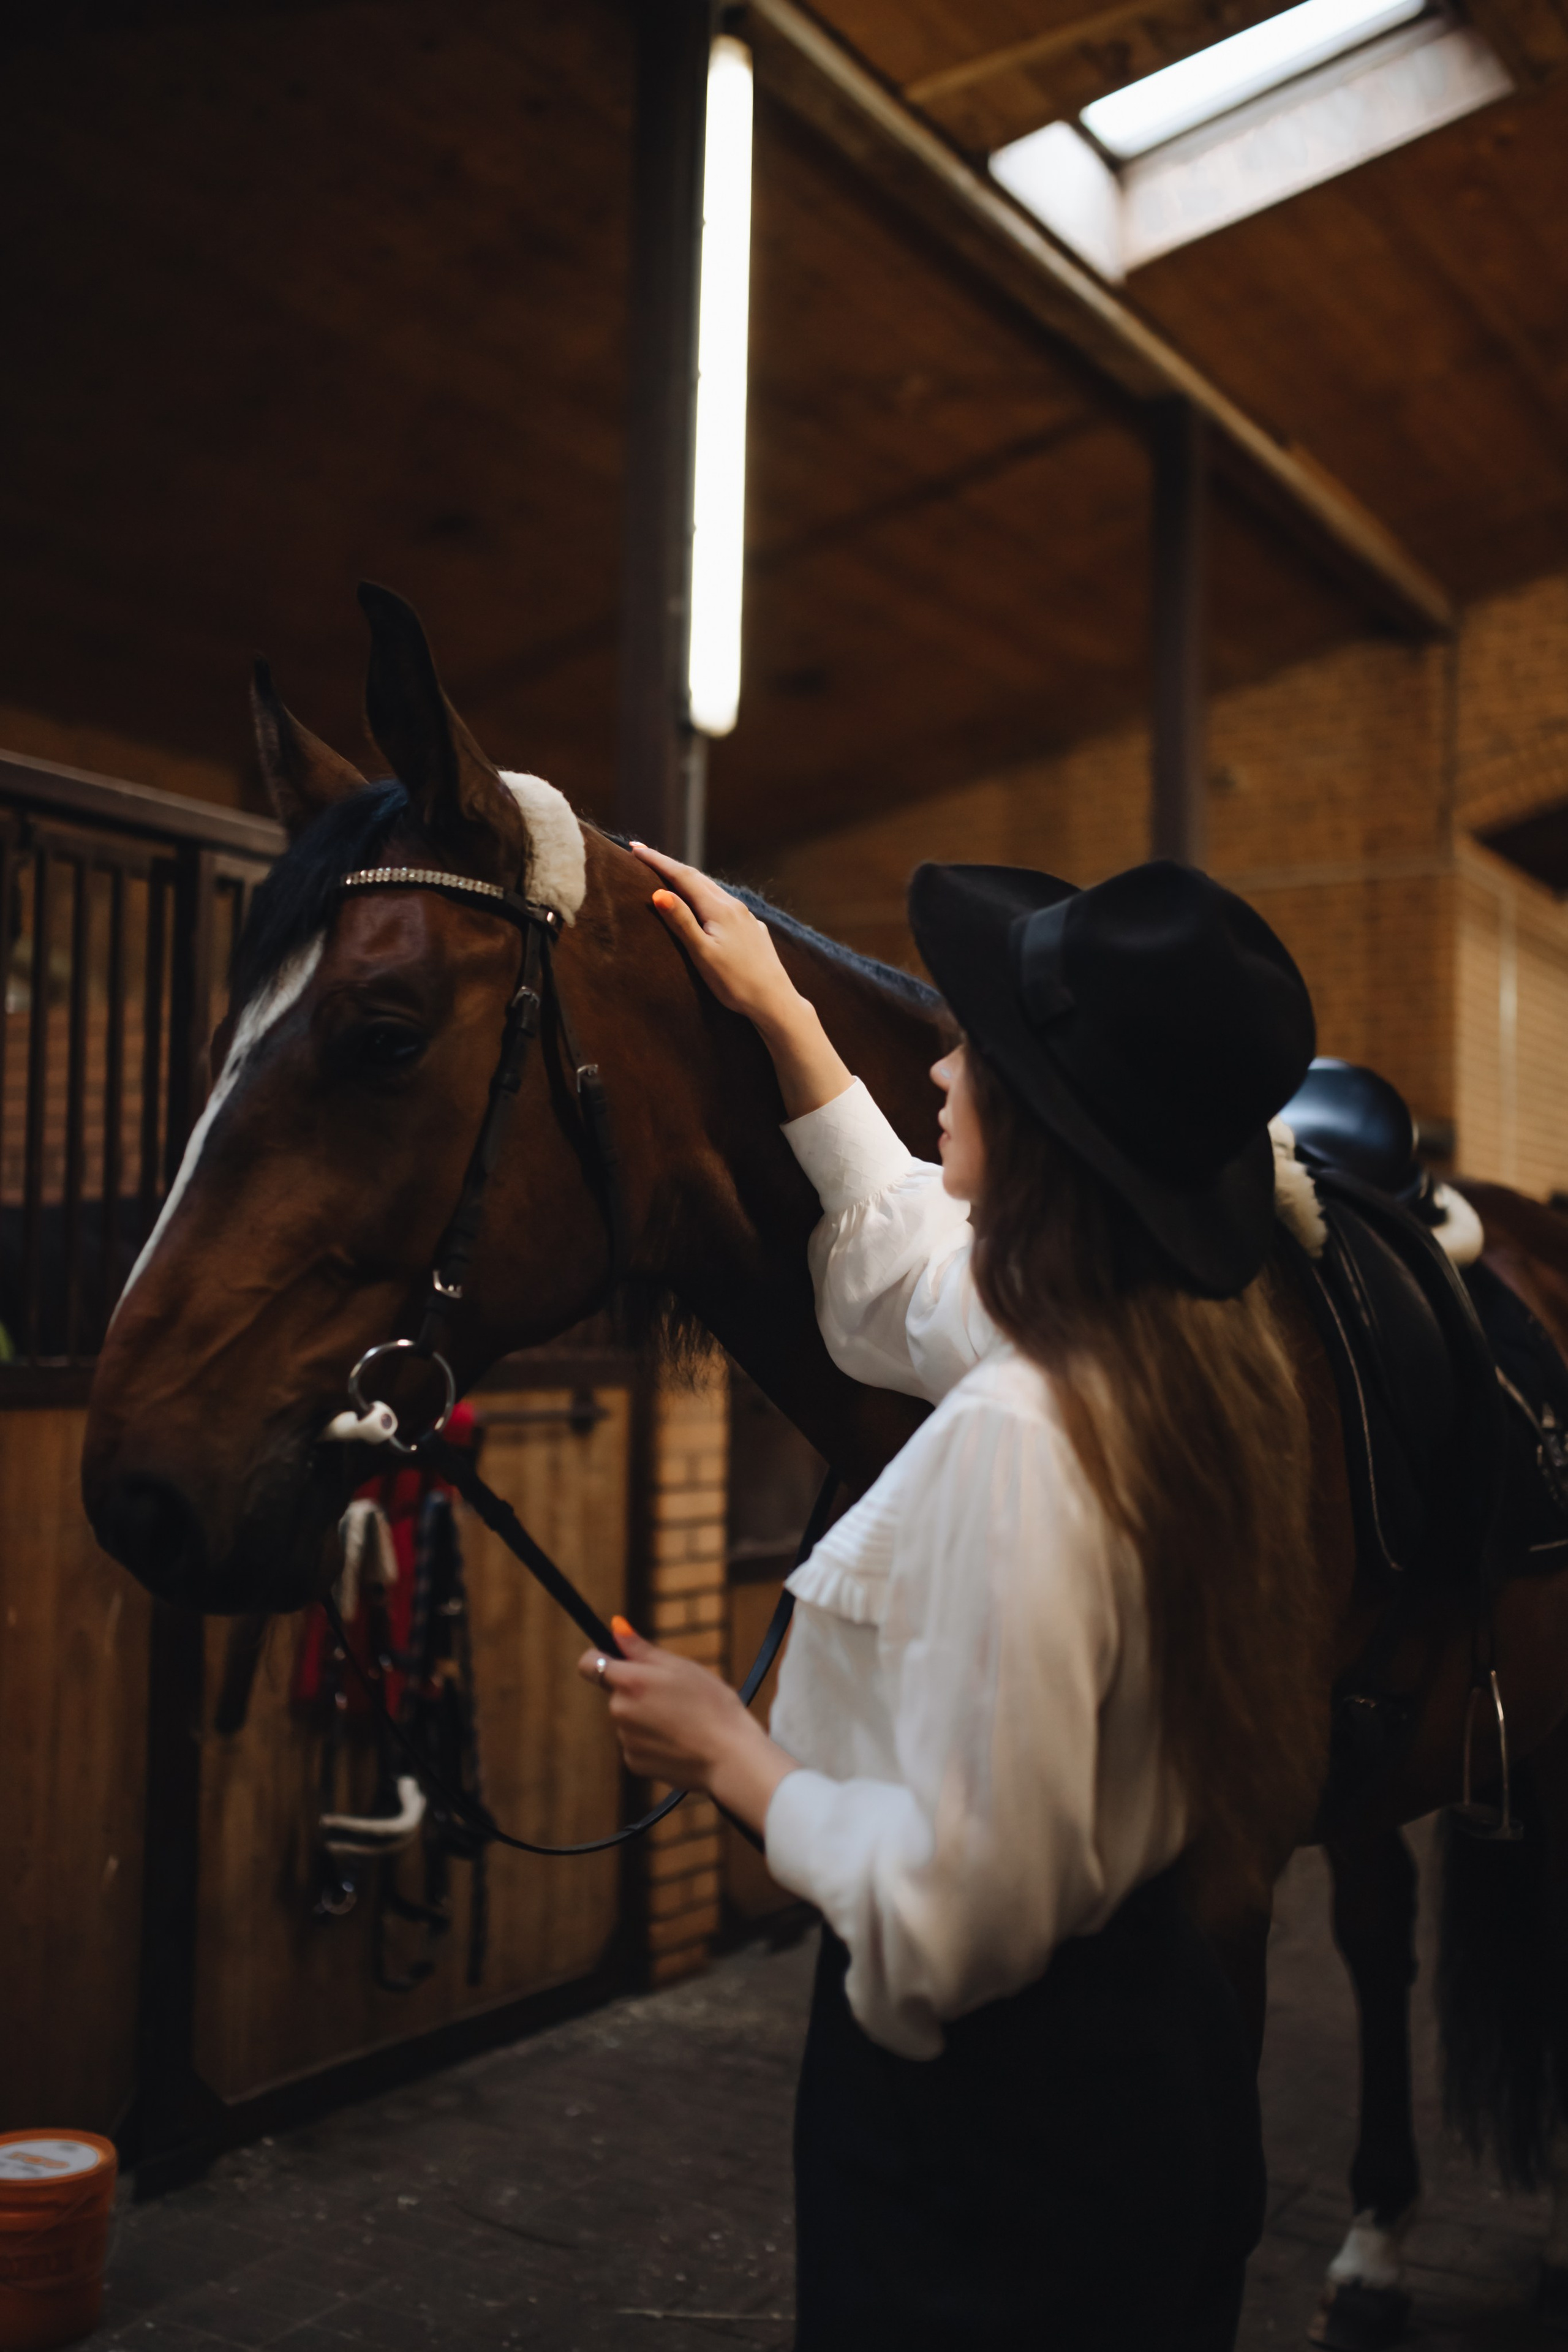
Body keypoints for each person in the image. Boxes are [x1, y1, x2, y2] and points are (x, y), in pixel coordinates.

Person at [579, 848, 1329, 2350]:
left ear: (1047, 1132)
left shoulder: (1015, 1437)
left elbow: (958, 1925)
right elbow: (912, 1274)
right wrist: (784, 1019)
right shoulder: (1181, 1358)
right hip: (1146, 2070)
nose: (942, 1066)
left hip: (996, 2144)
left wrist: (730, 1753)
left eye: (977, 1050)